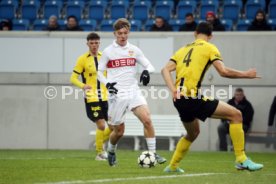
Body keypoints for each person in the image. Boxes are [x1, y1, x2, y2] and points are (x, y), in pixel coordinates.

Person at [161, 22, 263, 173]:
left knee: (193, 133)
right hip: (192, 98)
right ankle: (241, 159)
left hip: (179, 100)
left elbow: (164, 69)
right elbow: (223, 71)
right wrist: (246, 75)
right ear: (210, 36)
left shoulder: (182, 50)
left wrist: (173, 90)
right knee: (236, 115)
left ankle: (173, 166)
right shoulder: (209, 47)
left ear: (195, 33)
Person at [97, 18, 166, 166]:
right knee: (119, 132)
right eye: (120, 33)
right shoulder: (108, 52)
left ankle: (153, 154)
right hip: (116, 94)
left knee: (147, 120)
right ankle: (111, 150)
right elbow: (99, 72)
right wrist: (107, 83)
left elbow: (149, 65)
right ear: (115, 33)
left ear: (128, 33)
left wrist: (146, 71)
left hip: (133, 91)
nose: (123, 36)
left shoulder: (134, 50)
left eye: (125, 33)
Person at [70, 32, 111, 161]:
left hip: (105, 96)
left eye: (96, 43)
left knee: (114, 126)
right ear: (87, 43)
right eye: (92, 43)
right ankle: (100, 152)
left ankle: (98, 143)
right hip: (92, 97)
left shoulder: (104, 57)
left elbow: (110, 75)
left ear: (99, 43)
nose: (94, 45)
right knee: (101, 124)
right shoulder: (82, 59)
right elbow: (73, 78)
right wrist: (83, 86)